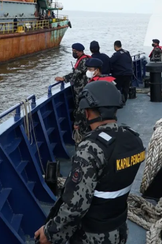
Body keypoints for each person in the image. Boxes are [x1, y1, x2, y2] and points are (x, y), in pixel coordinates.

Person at [34, 81, 145, 244]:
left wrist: (49, 232)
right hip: (119, 229)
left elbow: (75, 208)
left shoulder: (90, 148)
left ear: (87, 113)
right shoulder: (134, 139)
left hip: (92, 235)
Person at [55, 43, 90, 136]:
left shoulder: (84, 61)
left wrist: (64, 78)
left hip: (82, 89)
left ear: (78, 51)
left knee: (81, 108)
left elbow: (76, 74)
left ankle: (83, 130)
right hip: (79, 89)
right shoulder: (80, 59)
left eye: (74, 51)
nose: (73, 53)